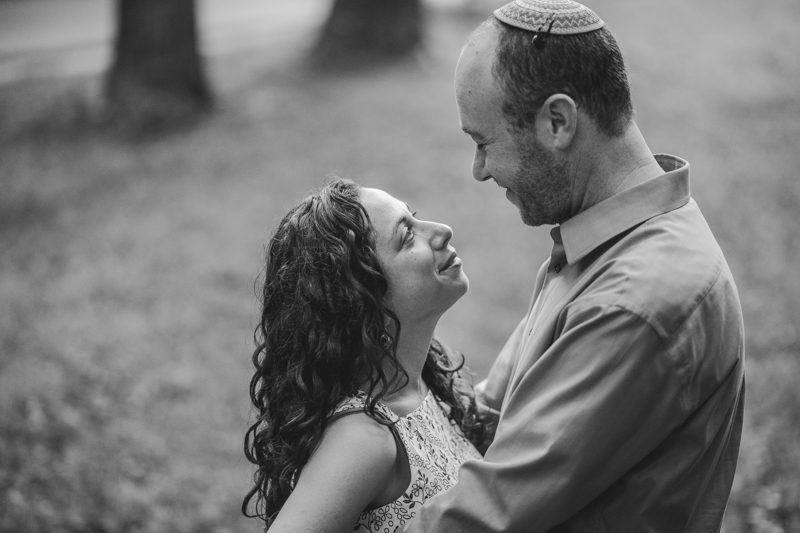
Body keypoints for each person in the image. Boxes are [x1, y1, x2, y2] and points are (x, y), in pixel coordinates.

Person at [403, 0, 746, 531]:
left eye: (483, 142)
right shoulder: (603, 242)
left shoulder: (635, 303)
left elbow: (483, 516)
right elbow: (491, 417)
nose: (479, 170)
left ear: (557, 122)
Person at [242, 178, 487, 532]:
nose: (442, 230)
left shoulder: (421, 384)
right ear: (361, 296)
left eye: (414, 218)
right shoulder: (363, 438)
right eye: (407, 236)